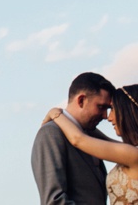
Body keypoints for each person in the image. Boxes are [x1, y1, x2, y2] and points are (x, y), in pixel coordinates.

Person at [43, 82, 138, 205]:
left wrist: (56, 114)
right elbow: (102, 140)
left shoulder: (136, 156)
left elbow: (78, 140)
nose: (109, 117)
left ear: (126, 112)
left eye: (112, 109)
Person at [31, 72, 114, 205]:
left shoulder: (90, 136)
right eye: (101, 107)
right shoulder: (51, 133)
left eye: (108, 109)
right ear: (81, 100)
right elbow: (54, 201)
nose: (105, 116)